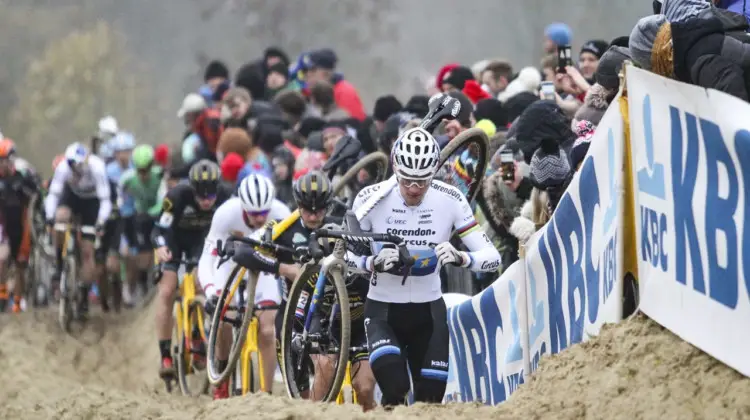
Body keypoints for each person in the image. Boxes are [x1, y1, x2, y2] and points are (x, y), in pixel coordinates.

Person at [348, 127, 501, 407]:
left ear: (434, 173)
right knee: (395, 389)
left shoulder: (450, 199)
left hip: (429, 312)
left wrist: (462, 257)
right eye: (406, 181)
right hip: (383, 310)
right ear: (395, 169)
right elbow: (345, 258)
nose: (413, 189)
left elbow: (493, 258)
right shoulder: (370, 199)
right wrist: (371, 262)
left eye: (422, 182)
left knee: (429, 402)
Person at [198, 174, 291, 399]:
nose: (259, 219)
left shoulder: (281, 213)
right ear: (242, 206)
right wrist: (211, 291)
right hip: (229, 267)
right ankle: (221, 373)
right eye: (253, 214)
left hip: (264, 267)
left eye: (263, 213)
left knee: (268, 331)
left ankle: (266, 392)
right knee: (225, 320)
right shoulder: (225, 214)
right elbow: (207, 258)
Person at [151, 159, 232, 381]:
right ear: (192, 189)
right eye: (201, 196)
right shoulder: (176, 196)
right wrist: (161, 247)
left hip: (202, 243)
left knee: (202, 284)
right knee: (167, 291)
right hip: (174, 242)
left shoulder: (226, 195)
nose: (206, 201)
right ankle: (165, 355)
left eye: (210, 196)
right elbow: (159, 229)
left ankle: (198, 332)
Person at [44, 142, 112, 318]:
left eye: (78, 164)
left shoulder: (97, 167)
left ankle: (83, 291)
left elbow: (105, 199)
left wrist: (101, 222)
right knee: (60, 218)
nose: (75, 168)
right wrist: (50, 217)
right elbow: (53, 195)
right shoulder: (63, 168)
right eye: (72, 164)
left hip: (91, 201)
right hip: (71, 197)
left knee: (88, 251)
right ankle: (59, 261)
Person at [119, 145, 164, 300]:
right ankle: (143, 283)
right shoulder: (127, 178)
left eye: (146, 170)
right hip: (139, 215)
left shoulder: (159, 176)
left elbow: (163, 198)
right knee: (142, 252)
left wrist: (153, 212)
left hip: (157, 214)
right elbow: (120, 197)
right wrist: (123, 209)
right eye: (140, 170)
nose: (143, 174)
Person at [0, 139, 39, 313]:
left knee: (20, 265)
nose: (2, 165)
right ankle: (2, 297)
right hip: (4, 225)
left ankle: (17, 302)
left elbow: (38, 194)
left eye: (4, 160)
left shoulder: (23, 175)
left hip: (22, 224)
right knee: (1, 260)